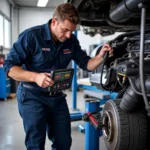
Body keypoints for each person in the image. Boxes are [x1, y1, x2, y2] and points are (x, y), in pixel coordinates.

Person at [4, 2, 113, 150]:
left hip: (57, 98)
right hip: (32, 96)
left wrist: (100, 56)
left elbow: (86, 63)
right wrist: (35, 77)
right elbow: (9, 68)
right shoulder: (31, 36)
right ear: (54, 21)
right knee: (36, 144)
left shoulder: (71, 40)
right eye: (65, 30)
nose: (68, 35)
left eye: (72, 31)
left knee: (63, 142)